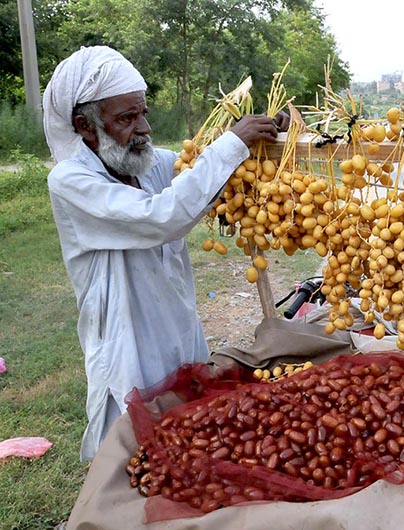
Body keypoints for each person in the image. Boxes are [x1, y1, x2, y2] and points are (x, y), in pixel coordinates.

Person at [42, 46, 289, 460]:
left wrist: (261, 137)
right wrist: (231, 145)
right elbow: (163, 217)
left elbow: (205, 175)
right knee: (134, 456)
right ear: (85, 126)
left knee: (190, 437)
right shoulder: (70, 181)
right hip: (128, 343)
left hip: (177, 329)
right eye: (126, 118)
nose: (143, 129)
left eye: (143, 113)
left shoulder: (147, 163)